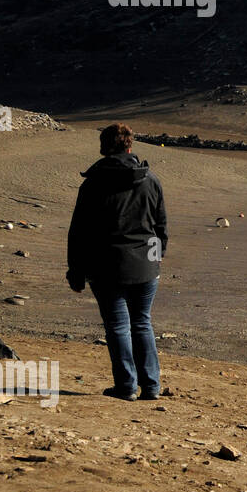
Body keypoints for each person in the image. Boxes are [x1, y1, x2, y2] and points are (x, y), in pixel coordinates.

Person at [66, 123, 168, 401]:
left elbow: (79, 233)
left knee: (119, 326)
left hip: (107, 267)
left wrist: (76, 272)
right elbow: (160, 227)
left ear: (103, 148)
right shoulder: (151, 180)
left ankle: (126, 386)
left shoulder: (93, 184)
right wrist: (156, 258)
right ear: (130, 147)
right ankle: (151, 386)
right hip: (146, 266)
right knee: (142, 323)